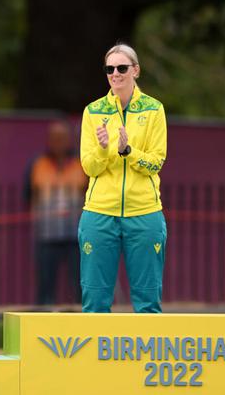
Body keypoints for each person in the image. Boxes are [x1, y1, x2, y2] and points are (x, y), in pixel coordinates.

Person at [78, 43, 167, 313]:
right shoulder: (93, 111)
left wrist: (127, 151)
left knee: (148, 302)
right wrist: (104, 149)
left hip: (144, 211)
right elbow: (88, 167)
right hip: (99, 212)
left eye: (122, 68)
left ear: (136, 71)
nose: (115, 73)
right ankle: (94, 357)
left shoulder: (154, 109)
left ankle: (148, 357)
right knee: (94, 302)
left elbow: (156, 162)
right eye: (109, 68)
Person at [24, 120, 86, 306]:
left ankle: (83, 321)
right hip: (46, 235)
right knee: (45, 285)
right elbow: (28, 195)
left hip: (77, 235)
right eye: (54, 138)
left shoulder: (81, 164)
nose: (58, 142)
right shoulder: (37, 164)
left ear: (69, 140)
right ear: (49, 140)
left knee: (80, 284)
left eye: (62, 138)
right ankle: (42, 320)